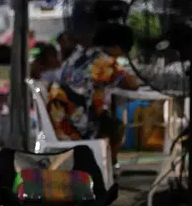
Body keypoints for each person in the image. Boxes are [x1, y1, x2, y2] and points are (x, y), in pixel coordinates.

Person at [48, 22, 140, 169]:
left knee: (108, 119)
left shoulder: (79, 54)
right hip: (74, 125)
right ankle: (105, 168)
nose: (123, 55)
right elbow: (132, 84)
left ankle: (103, 166)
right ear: (116, 46)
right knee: (115, 126)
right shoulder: (103, 61)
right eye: (125, 51)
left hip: (57, 118)